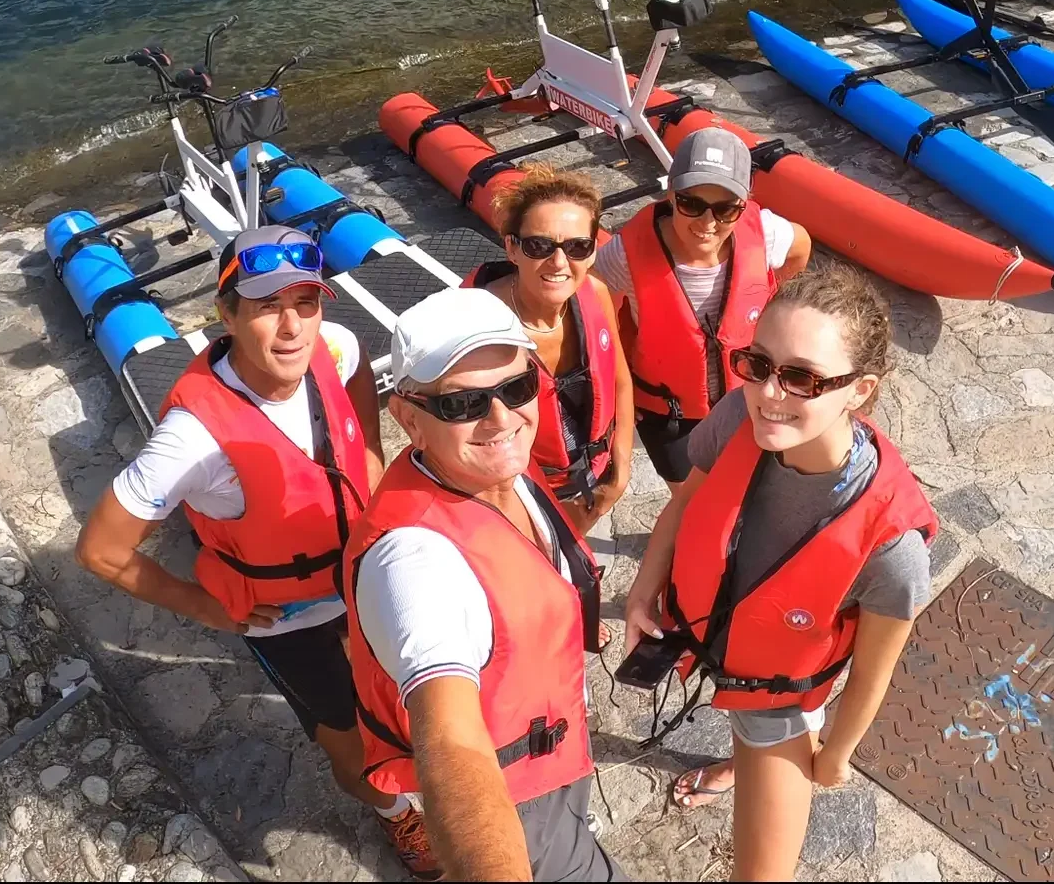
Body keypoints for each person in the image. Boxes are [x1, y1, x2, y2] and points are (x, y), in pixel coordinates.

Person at [75, 226, 438, 880]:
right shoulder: (191, 439)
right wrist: (206, 608)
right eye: (268, 306)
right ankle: (395, 812)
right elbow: (100, 548)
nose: (293, 326)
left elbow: (362, 402)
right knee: (354, 753)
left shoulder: (336, 344)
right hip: (288, 618)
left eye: (306, 301)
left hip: (363, 574)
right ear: (228, 314)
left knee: (411, 702)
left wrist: (376, 481)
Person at [622, 263, 937, 879]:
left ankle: (749, 761)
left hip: (777, 703)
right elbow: (684, 504)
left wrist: (836, 755)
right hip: (715, 637)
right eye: (759, 364)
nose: (770, 393)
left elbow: (872, 674)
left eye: (801, 378)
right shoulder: (737, 419)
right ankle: (735, 764)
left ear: (860, 390)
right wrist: (642, 591)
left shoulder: (892, 550)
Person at [345, 288, 624, 882]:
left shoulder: (497, 468)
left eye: (517, 387)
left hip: (549, 745)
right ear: (409, 419)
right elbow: (451, 742)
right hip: (516, 799)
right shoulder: (414, 560)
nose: (501, 418)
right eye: (463, 403)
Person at [594, 126, 811, 488]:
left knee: (750, 485)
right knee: (689, 497)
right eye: (691, 204)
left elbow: (800, 246)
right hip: (669, 412)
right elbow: (594, 305)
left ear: (744, 205)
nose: (707, 224)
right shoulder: (624, 254)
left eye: (725, 209)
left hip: (748, 395)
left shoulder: (766, 233)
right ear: (671, 193)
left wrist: (782, 309)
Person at [466, 165, 634, 533]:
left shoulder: (597, 295)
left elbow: (620, 380)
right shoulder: (476, 323)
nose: (559, 262)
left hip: (592, 478)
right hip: (520, 495)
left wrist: (620, 471)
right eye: (539, 246)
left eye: (577, 247)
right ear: (512, 248)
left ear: (592, 252)